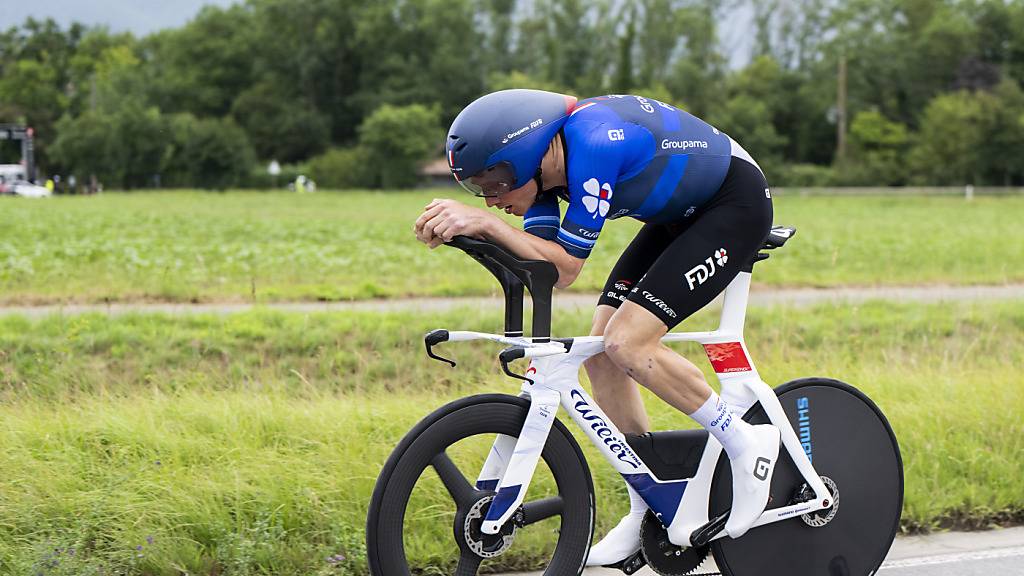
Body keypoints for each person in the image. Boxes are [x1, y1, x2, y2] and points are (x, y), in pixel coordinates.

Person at [414, 89, 778, 566]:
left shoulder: (593, 142)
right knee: (602, 356)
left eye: (494, 181)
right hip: (679, 218)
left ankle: (746, 441)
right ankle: (650, 502)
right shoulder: (543, 175)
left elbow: (565, 268)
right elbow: (539, 262)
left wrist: (482, 221)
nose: (491, 197)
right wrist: (476, 232)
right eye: (478, 188)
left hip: (734, 205)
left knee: (628, 342)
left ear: (525, 156)